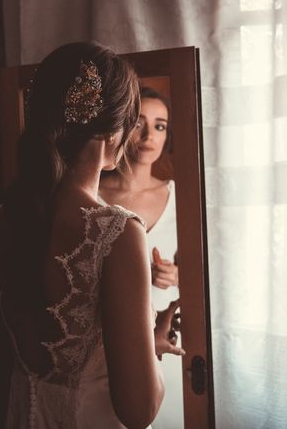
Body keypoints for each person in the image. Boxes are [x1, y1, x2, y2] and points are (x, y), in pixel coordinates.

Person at [0, 42, 182, 428]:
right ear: (117, 130)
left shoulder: (9, 213)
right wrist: (151, 340)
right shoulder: (116, 231)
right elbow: (138, 410)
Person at [99, 87, 184, 428]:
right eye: (139, 124)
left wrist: (177, 275)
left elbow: (207, 269)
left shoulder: (179, 194)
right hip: (106, 340)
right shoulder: (92, 194)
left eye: (160, 126)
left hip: (164, 337)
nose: (149, 135)